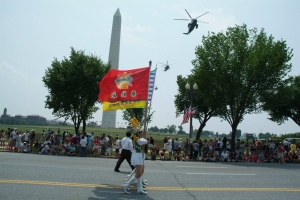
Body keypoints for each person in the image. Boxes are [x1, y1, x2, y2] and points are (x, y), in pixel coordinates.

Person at [122, 129, 148, 194]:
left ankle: (140, 188)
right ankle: (127, 185)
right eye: (142, 132)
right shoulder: (138, 139)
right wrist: (145, 138)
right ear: (139, 133)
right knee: (138, 174)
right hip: (137, 156)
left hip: (139, 155)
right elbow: (145, 141)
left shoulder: (138, 138)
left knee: (140, 172)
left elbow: (144, 141)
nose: (143, 133)